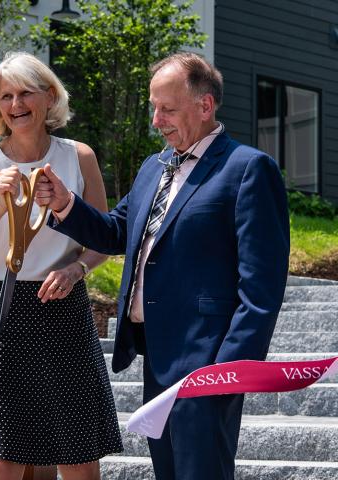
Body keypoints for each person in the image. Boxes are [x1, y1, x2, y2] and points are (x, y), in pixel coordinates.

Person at [36, 52, 290, 480]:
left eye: (167, 108)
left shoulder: (248, 169)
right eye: (154, 107)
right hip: (155, 353)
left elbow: (261, 290)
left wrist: (226, 372)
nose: (156, 120)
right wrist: (65, 204)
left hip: (207, 359)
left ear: (205, 106)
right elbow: (117, 232)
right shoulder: (153, 168)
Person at [0, 52, 122, 480]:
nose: (15, 104)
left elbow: (103, 238)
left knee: (77, 450)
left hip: (60, 305)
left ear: (50, 97)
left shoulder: (79, 157)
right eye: (5, 95)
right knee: (0, 452)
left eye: (25, 93)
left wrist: (77, 270)